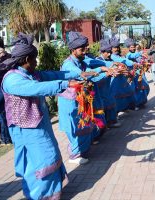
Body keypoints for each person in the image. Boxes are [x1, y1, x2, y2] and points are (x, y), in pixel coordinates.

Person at [1, 33, 89, 199]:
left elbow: (53, 75)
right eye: (34, 59)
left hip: (40, 124)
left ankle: (52, 192)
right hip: (26, 130)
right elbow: (36, 88)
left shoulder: (31, 73)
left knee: (51, 155)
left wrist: (76, 75)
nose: (36, 63)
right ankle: (40, 195)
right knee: (40, 162)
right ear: (26, 58)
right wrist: (66, 84)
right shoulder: (12, 79)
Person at [58, 32, 109, 164]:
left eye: (85, 48)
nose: (84, 52)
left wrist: (108, 72)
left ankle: (81, 151)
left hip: (81, 101)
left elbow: (93, 77)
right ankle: (74, 155)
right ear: (73, 50)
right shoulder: (68, 65)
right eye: (81, 49)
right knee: (74, 129)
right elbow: (82, 75)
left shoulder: (81, 62)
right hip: (70, 102)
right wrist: (102, 69)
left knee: (85, 126)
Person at [96, 39, 121, 128]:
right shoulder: (98, 60)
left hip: (107, 86)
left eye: (110, 52)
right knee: (104, 104)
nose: (109, 54)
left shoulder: (109, 59)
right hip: (101, 87)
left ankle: (111, 121)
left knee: (111, 102)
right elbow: (103, 66)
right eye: (107, 52)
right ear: (102, 52)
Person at [125, 38, 150, 110]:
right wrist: (140, 53)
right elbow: (133, 56)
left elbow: (139, 60)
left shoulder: (136, 53)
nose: (133, 48)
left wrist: (144, 62)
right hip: (133, 74)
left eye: (133, 47)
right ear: (128, 48)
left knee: (143, 87)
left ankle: (142, 102)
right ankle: (136, 103)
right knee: (135, 89)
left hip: (139, 73)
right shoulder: (128, 55)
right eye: (131, 47)